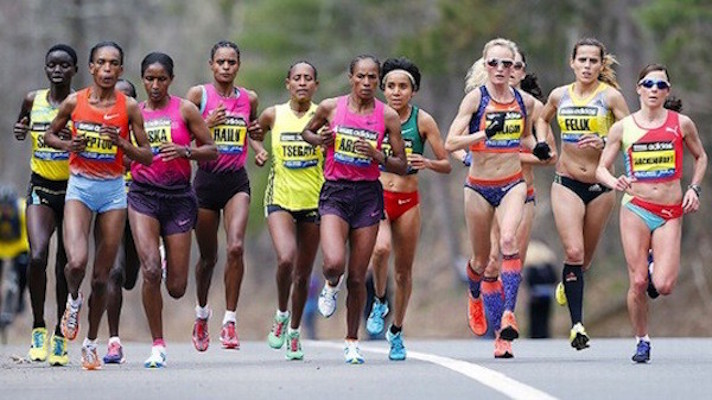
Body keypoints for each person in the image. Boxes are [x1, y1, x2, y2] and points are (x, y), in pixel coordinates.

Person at [43, 41, 153, 370]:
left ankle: (91, 343)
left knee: (103, 276)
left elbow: (146, 154)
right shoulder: (74, 102)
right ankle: (73, 302)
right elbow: (49, 135)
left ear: (120, 70)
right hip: (80, 186)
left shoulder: (129, 106)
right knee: (76, 263)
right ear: (91, 68)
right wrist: (68, 143)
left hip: (113, 191)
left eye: (113, 64)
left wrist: (121, 143)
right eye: (101, 63)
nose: (107, 69)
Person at [444, 38, 551, 359]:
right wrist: (482, 136)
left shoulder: (526, 103)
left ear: (516, 67)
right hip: (478, 186)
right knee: (481, 262)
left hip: (512, 184)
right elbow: (451, 142)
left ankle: (506, 323)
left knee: (509, 244)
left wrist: (538, 147)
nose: (502, 69)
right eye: (495, 63)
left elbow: (529, 137)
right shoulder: (474, 100)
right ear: (485, 65)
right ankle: (475, 293)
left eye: (508, 64)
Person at [596, 64, 707, 363]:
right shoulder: (623, 127)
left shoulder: (681, 124)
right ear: (638, 88)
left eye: (660, 85)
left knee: (664, 285)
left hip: (670, 211)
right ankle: (642, 339)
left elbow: (701, 157)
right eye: (649, 84)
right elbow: (601, 168)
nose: (654, 90)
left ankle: (652, 260)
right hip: (636, 208)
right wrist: (613, 181)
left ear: (668, 90)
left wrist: (694, 189)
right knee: (639, 283)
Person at [301, 54, 407, 364]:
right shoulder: (331, 107)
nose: (366, 82)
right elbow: (307, 133)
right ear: (351, 78)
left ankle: (351, 340)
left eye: (372, 77)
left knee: (359, 277)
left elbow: (401, 165)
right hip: (335, 191)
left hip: (367, 196)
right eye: (361, 76)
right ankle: (331, 285)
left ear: (378, 81)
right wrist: (319, 140)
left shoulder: (387, 117)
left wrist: (377, 155)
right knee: (334, 263)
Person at [537, 38, 629, 351]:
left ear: (601, 65)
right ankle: (577, 326)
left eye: (593, 61)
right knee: (573, 252)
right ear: (572, 63)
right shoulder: (559, 95)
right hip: (567, 182)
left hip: (601, 186)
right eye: (583, 60)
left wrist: (605, 140)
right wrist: (545, 141)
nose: (588, 66)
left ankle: (568, 281)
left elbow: (631, 134)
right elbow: (541, 117)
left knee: (584, 260)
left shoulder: (611, 97)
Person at [131, 52, 216, 368]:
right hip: (142, 196)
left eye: (161, 79)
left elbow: (212, 151)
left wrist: (185, 151)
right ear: (143, 79)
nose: (155, 85)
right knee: (150, 269)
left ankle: (166, 256)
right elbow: (126, 153)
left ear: (171, 80)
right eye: (150, 79)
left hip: (179, 197)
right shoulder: (134, 112)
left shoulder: (185, 109)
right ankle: (157, 344)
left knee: (177, 288)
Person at [466, 48, 558, 341]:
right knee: (488, 263)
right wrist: (470, 154)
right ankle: (495, 325)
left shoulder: (531, 107)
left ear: (522, 71)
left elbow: (551, 155)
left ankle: (506, 325)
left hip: (521, 190)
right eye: (504, 64)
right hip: (485, 187)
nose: (511, 70)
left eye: (516, 66)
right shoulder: (481, 102)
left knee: (511, 256)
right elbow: (458, 143)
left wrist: (518, 154)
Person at [365, 57, 451, 361]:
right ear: (382, 88)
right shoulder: (373, 117)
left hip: (408, 201)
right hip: (377, 196)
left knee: (403, 273)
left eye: (403, 86)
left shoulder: (423, 121)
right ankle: (378, 300)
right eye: (390, 86)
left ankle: (397, 331)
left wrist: (427, 163)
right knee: (380, 250)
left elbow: (446, 164)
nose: (396, 92)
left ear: (413, 91)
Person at [186, 40, 265, 352]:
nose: (226, 67)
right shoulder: (198, 95)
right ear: (211, 65)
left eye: (231, 62)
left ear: (238, 65)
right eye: (220, 62)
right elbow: (184, 138)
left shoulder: (249, 98)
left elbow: (252, 129)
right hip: (205, 182)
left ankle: (230, 321)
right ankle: (202, 314)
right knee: (208, 257)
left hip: (236, 181)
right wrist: (207, 124)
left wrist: (258, 148)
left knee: (235, 247)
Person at [12, 44, 77, 366]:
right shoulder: (32, 99)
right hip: (41, 184)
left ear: (75, 71)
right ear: (45, 68)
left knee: (66, 263)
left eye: (65, 66)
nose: (57, 70)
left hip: (75, 188)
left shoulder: (81, 104)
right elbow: (21, 126)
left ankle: (61, 335)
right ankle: (38, 327)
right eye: (52, 65)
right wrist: (20, 130)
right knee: (37, 256)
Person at [258, 61, 322, 360]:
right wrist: (259, 150)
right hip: (280, 197)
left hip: (314, 201)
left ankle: (294, 332)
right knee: (286, 259)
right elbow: (253, 133)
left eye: (308, 79)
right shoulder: (273, 114)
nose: (302, 83)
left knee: (303, 275)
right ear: (288, 83)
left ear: (315, 85)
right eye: (296, 78)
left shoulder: (324, 115)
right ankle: (282, 313)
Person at [102, 78, 141, 365]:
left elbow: (156, 160)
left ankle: (158, 253)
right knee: (113, 273)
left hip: (140, 206)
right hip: (111, 206)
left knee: (129, 277)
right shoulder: (100, 127)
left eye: (126, 98)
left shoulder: (143, 128)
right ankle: (113, 340)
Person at [0, 185, 29, 339]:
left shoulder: (22, 210)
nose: (5, 211)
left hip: (19, 245)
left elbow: (28, 234)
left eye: (7, 208)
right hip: (1, 246)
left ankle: (20, 299)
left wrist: (26, 254)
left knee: (24, 269)